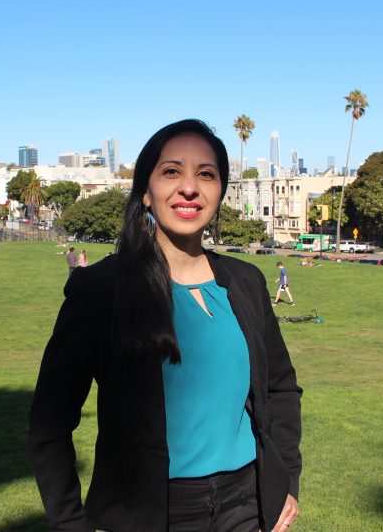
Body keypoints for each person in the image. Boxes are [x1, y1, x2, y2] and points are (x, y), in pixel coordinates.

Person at [28, 119, 301, 532]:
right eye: (171, 171)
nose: (189, 187)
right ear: (145, 191)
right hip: (153, 512)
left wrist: (286, 483)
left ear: (220, 191)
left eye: (205, 174)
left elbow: (280, 389)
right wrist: (70, 521)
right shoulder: (102, 289)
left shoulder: (246, 281)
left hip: (247, 505)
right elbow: (50, 421)